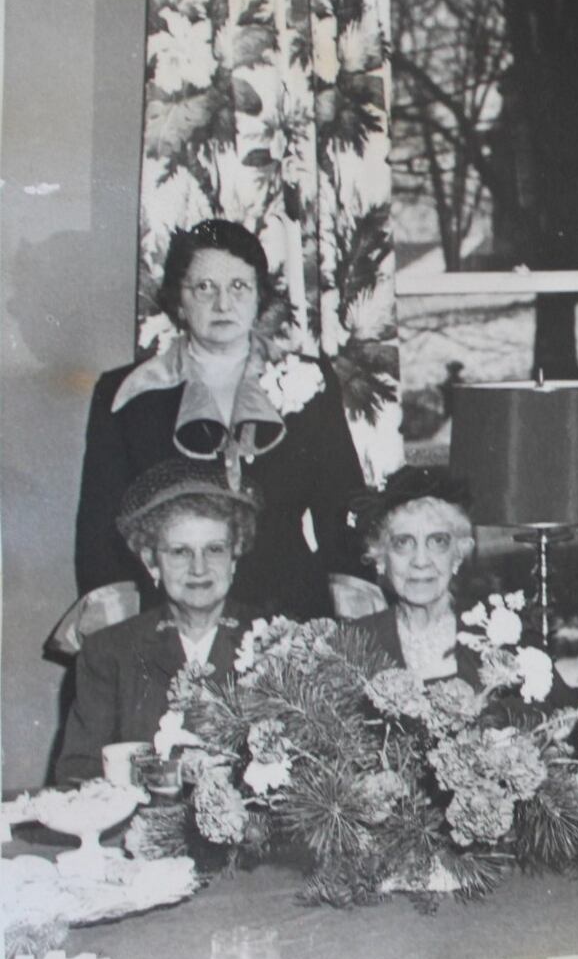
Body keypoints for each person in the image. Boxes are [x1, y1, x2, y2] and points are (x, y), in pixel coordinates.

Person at [75, 218, 366, 618]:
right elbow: (101, 530)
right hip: (170, 612)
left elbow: (342, 509)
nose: (223, 304)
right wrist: (125, 634)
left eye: (238, 287)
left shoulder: (311, 381)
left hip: (289, 610)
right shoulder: (125, 393)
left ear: (259, 296)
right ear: (179, 298)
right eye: (204, 287)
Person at [55, 459, 260, 783]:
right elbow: (78, 773)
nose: (199, 568)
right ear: (152, 563)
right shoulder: (108, 652)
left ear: (234, 559)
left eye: (215, 549)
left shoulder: (278, 643)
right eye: (180, 552)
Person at [349, 466, 578, 704]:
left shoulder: (498, 632)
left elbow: (566, 719)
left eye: (438, 541)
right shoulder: (355, 643)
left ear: (457, 555)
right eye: (403, 543)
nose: (420, 561)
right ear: (380, 558)